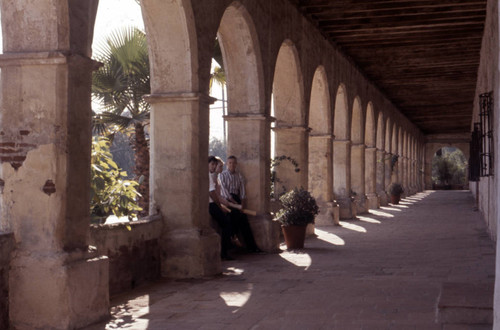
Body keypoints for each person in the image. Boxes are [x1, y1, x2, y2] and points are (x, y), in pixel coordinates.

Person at [219, 155, 262, 253]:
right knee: (234, 220)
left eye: (234, 163)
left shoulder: (239, 175)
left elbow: (242, 192)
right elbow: (224, 191)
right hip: (227, 201)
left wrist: (241, 204)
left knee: (244, 222)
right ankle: (235, 244)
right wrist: (234, 203)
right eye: (230, 163)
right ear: (226, 164)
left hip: (237, 200)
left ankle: (251, 247)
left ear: (236, 164)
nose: (232, 165)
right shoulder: (222, 175)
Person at [208, 156, 234, 260]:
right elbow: (212, 193)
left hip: (212, 204)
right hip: (211, 204)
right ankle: (224, 253)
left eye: (215, 164)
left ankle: (226, 249)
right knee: (226, 224)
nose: (214, 167)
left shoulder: (209, 175)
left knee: (227, 222)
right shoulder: (208, 175)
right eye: (212, 164)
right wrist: (219, 206)